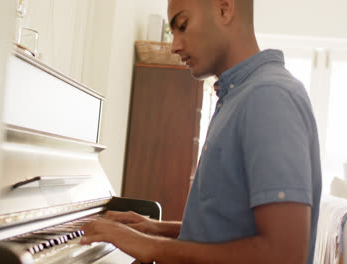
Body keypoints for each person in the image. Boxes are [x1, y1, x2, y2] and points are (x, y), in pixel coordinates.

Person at [80, 0, 322, 263]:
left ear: (224, 8)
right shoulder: (237, 96)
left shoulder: (268, 97)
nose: (175, 45)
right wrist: (155, 229)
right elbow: (226, 231)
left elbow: (284, 255)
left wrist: (152, 247)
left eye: (182, 26)